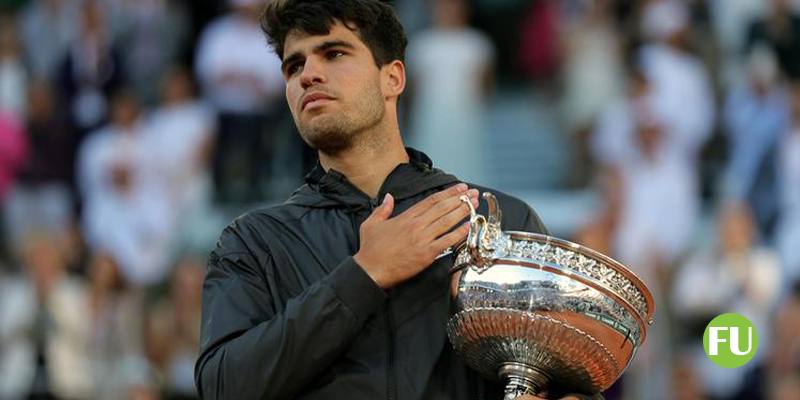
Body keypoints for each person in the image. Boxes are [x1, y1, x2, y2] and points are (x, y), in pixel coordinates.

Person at [194, 1, 600, 399]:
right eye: (294, 65)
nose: (309, 75)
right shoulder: (253, 242)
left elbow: (570, 380)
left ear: (393, 78)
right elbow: (223, 387)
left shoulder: (499, 218)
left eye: (333, 53)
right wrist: (364, 274)